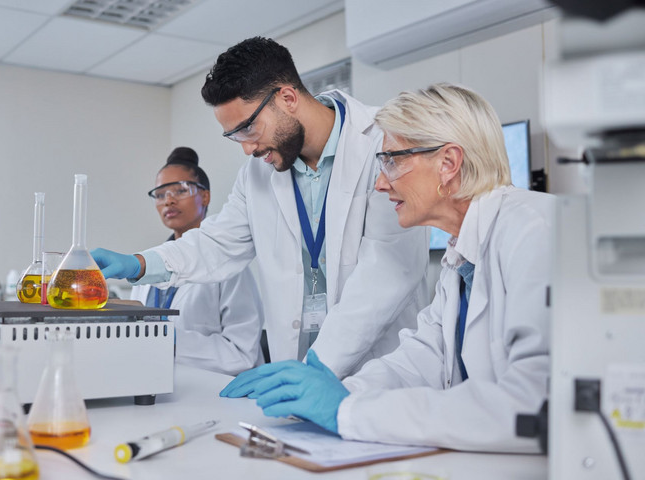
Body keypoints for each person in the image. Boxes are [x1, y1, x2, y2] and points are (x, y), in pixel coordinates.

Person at [239, 83, 554, 453]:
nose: (380, 182)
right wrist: (337, 392)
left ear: (448, 163)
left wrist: (347, 410)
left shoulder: (534, 232)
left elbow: (533, 405)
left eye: (392, 160)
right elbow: (420, 360)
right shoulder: (460, 259)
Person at [91, 37, 429, 382]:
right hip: (296, 368)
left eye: (248, 128)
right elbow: (219, 243)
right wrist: (140, 263)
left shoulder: (383, 144)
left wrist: (317, 369)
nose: (247, 148)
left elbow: (386, 276)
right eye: (234, 136)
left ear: (287, 98)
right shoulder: (258, 173)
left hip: (378, 373)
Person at [130, 147, 265, 375]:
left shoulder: (230, 266)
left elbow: (243, 354)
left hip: (216, 395)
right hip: (156, 387)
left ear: (205, 196)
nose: (168, 201)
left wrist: (170, 341)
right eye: (161, 194)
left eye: (180, 190)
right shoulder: (146, 266)